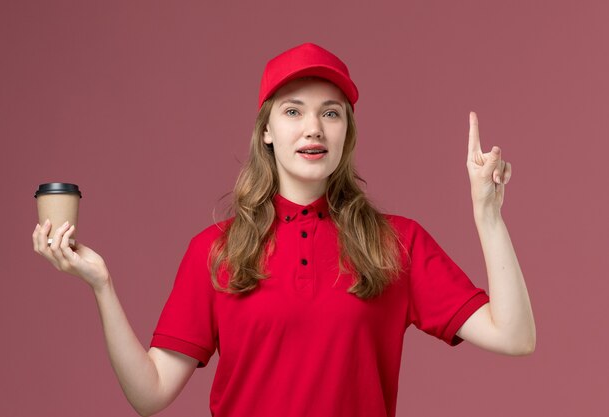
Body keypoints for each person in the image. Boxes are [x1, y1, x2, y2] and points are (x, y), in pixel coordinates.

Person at [32, 42, 535, 417]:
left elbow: (514, 336)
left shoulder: (396, 242)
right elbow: (150, 393)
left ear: (346, 132)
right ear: (267, 132)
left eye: (330, 113)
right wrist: (102, 286)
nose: (313, 127)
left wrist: (487, 215)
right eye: (293, 111)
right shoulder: (215, 250)